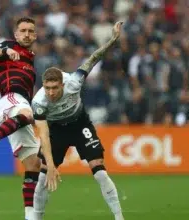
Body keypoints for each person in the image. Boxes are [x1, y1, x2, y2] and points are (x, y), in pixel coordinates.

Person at [31, 21, 125, 220]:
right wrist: (51, 166)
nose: (51, 92)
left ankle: (119, 217)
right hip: (55, 129)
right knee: (42, 179)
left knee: (99, 171)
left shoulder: (74, 81)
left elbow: (95, 57)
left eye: (54, 88)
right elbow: (44, 134)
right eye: (47, 88)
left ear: (62, 84)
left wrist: (113, 39)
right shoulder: (39, 101)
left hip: (79, 124)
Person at [0, 17, 59, 220]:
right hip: (10, 99)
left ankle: (31, 218)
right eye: (23, 30)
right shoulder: (9, 46)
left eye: (31, 31)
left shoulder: (30, 58)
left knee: (33, 166)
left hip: (21, 106)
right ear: (16, 34)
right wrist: (4, 51)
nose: (27, 34)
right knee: (26, 114)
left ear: (35, 35)